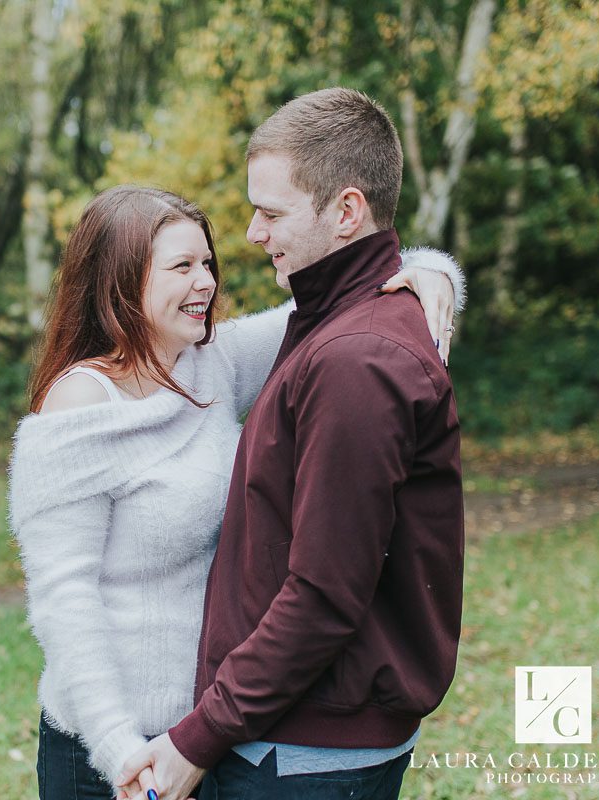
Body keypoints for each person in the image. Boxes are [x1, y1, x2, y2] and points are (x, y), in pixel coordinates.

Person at [8, 183, 463, 800]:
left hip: (202, 738)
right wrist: (121, 754)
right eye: (181, 267)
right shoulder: (82, 402)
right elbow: (65, 600)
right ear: (119, 282)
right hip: (108, 752)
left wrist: (429, 275)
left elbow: (346, 312)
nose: (206, 283)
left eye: (207, 264)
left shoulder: (207, 361)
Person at [115, 89, 465, 800]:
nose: (250, 232)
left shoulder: (356, 359)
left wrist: (198, 737)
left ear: (346, 212)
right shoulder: (330, 321)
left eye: (271, 213)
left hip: (303, 754)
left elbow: (324, 595)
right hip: (291, 734)